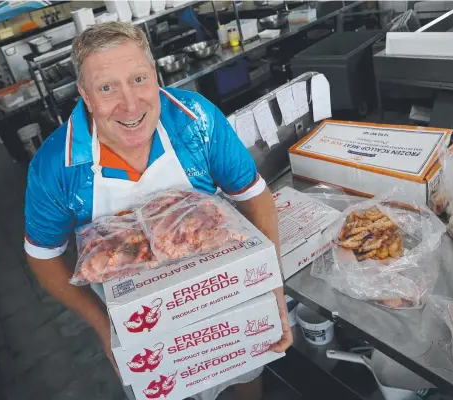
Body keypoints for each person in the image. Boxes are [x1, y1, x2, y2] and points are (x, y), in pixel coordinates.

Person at [24, 22, 292, 400]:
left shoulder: (195, 120)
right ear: (85, 94)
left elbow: (255, 195)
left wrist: (270, 287)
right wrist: (106, 327)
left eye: (138, 79)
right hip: (142, 328)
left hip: (225, 299)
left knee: (246, 378)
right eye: (106, 88)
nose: (130, 105)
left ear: (156, 74)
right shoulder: (56, 166)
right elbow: (42, 257)